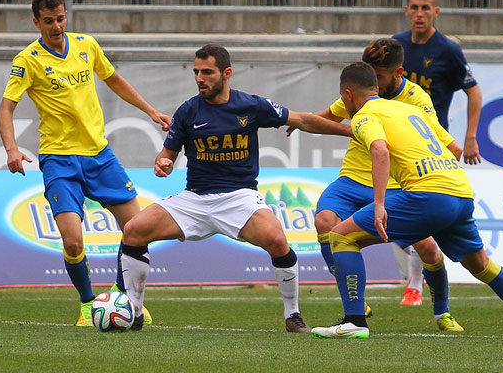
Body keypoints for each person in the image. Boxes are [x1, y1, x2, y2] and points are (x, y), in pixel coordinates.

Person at [120, 44, 353, 332]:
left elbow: (303, 119)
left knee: (277, 240)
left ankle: (292, 315)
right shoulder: (188, 111)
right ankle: (134, 310)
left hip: (239, 197)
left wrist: (352, 131)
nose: (199, 78)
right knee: (133, 230)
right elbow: (167, 153)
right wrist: (163, 163)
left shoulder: (251, 106)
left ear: (226, 73)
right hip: (195, 198)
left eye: (207, 72)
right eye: (196, 72)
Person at [311, 62, 503, 339]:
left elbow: (380, 150)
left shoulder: (364, 116)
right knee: (482, 265)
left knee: (340, 236)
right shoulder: (409, 109)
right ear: (377, 88)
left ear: (348, 95)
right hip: (460, 191)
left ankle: (355, 321)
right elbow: (452, 146)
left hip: (426, 195)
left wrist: (380, 205)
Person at [0, 0, 170, 326]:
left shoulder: (86, 46)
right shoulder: (28, 61)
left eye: (60, 18)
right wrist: (12, 149)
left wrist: (151, 111)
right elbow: (6, 109)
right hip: (59, 159)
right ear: (36, 22)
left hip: (99, 155)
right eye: (48, 21)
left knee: (138, 229)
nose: (56, 26)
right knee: (73, 240)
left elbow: (114, 79)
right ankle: (88, 304)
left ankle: (125, 300)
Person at [297, 38, 463, 331]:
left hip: (397, 183)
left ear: (398, 72)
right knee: (325, 221)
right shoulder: (361, 94)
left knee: (427, 248)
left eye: (379, 75)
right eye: (370, 74)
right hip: (352, 179)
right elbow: (326, 117)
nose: (373, 80)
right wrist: (298, 120)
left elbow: (435, 141)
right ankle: (355, 305)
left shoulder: (417, 99)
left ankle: (442, 311)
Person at [394, 0, 483, 305]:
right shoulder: (396, 46)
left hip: (432, 147)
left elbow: (473, 91)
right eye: (414, 8)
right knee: (399, 211)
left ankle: (415, 285)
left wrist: (469, 137)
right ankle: (420, 275)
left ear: (435, 11)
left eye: (425, 8)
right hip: (396, 144)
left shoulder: (448, 49)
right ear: (406, 10)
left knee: (421, 210)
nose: (419, 14)